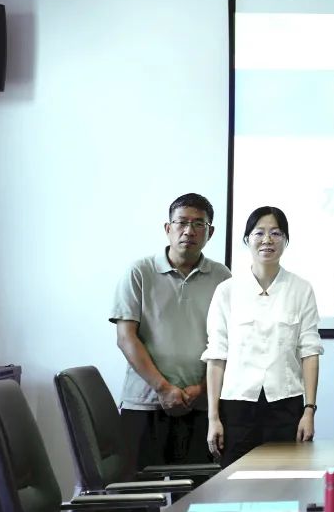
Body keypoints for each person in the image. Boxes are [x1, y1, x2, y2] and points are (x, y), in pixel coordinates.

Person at [110, 193, 231, 470]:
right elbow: (126, 338)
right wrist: (163, 388)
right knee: (138, 488)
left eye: (198, 224)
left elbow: (230, 342)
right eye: (182, 222)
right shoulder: (140, 272)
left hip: (201, 405)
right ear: (168, 228)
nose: (189, 231)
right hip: (145, 404)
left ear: (210, 232)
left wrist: (202, 389)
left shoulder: (222, 277)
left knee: (200, 489)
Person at [201, 206, 323, 467]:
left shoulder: (301, 289)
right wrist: (213, 418)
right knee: (235, 481)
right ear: (247, 239)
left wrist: (309, 410)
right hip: (236, 406)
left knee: (286, 479)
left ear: (286, 240)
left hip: (286, 405)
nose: (267, 240)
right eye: (259, 233)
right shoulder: (227, 291)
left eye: (276, 233)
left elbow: (310, 352)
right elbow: (216, 356)